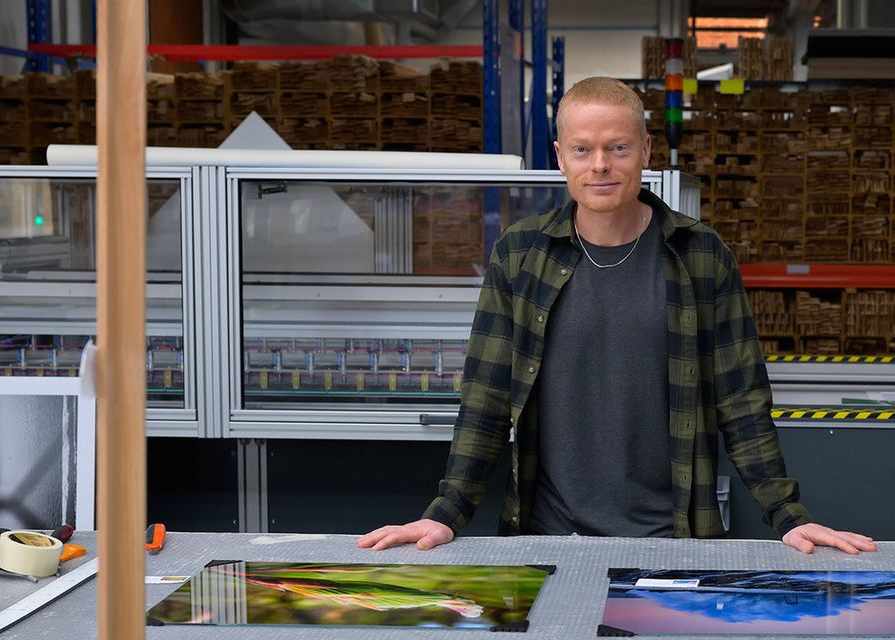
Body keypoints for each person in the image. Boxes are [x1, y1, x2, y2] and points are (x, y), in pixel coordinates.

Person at [357, 77, 877, 556]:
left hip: (674, 542)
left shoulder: (700, 254)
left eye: (618, 148)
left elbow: (741, 400)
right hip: (546, 539)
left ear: (645, 151)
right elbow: (486, 396)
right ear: (560, 157)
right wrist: (447, 511)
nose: (600, 165)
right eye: (582, 149)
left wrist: (787, 515)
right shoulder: (521, 253)